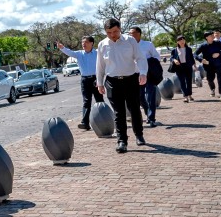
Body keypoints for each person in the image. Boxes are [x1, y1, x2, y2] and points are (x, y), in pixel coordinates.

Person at [96, 18, 148, 153]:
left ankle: (139, 135)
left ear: (120, 29)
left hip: (131, 79)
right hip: (112, 82)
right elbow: (100, 66)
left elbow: (140, 58)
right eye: (109, 32)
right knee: (119, 113)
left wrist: (143, 73)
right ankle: (122, 141)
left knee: (134, 108)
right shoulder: (102, 45)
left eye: (115, 31)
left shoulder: (130, 41)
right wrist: (100, 83)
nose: (113, 35)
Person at [58, 36, 102, 130]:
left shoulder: (97, 53)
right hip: (85, 80)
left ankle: (104, 119)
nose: (83, 44)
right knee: (86, 101)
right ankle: (85, 123)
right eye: (82, 42)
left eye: (86, 42)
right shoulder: (79, 54)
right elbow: (70, 52)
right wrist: (62, 47)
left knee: (99, 100)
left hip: (96, 79)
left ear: (91, 43)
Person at [128, 27, 162, 127]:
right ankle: (147, 112)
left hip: (149, 74)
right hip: (135, 75)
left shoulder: (148, 44)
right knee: (140, 97)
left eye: (132, 33)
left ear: (139, 34)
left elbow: (157, 57)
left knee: (150, 96)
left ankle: (151, 118)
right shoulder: (128, 46)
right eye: (129, 34)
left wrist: (147, 62)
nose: (130, 35)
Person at [195, 30, 221, 99]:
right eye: (211, 35)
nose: (213, 36)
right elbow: (195, 54)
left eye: (213, 35)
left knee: (220, 78)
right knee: (210, 79)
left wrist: (219, 54)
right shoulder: (203, 46)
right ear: (206, 37)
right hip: (208, 65)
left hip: (218, 63)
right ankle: (212, 89)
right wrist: (201, 60)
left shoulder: (218, 43)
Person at [170, 35, 196, 102]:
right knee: (182, 82)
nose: (182, 41)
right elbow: (171, 58)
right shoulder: (174, 50)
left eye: (183, 40)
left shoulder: (189, 49)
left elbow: (192, 59)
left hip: (188, 67)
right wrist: (174, 60)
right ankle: (185, 96)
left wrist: (195, 66)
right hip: (179, 67)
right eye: (180, 40)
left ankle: (190, 95)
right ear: (177, 42)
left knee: (189, 81)